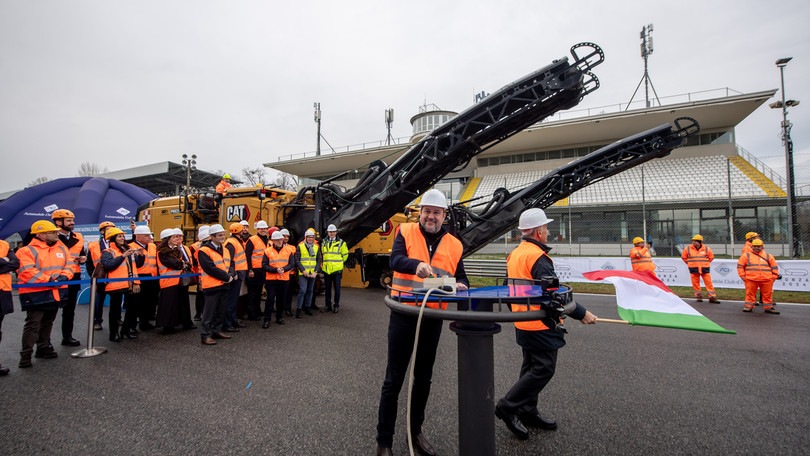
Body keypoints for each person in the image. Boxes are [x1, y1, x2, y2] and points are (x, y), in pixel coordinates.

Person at [375, 189, 470, 456]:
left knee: (424, 378)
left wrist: (461, 286)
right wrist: (414, 264)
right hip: (404, 314)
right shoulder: (405, 232)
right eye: (426, 211)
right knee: (393, 380)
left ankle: (415, 432)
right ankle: (384, 442)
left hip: (432, 318)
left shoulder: (455, 244)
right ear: (421, 213)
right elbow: (395, 260)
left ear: (444, 216)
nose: (430, 216)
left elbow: (462, 279)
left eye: (436, 212)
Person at [495, 208, 597, 440]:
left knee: (530, 368)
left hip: (523, 321)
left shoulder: (516, 254)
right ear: (539, 231)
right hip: (540, 323)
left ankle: (527, 410)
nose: (548, 232)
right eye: (546, 228)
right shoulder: (539, 258)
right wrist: (581, 313)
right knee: (543, 369)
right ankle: (508, 406)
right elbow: (554, 295)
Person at [16, 220, 73, 368]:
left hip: (56, 291)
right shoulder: (26, 251)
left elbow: (70, 264)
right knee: (33, 324)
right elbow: (26, 271)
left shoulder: (61, 248)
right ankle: (26, 354)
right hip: (35, 293)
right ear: (40, 234)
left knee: (48, 321)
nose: (56, 234)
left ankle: (43, 347)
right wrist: (49, 280)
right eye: (52, 232)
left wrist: (64, 276)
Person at [100, 227, 143, 342]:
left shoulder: (128, 249)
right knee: (115, 311)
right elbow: (109, 265)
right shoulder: (108, 252)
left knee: (132, 308)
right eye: (119, 236)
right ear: (113, 238)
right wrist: (123, 256)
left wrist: (140, 256)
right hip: (117, 285)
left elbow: (136, 266)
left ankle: (126, 330)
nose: (122, 238)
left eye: (123, 236)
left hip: (131, 283)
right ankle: (113, 334)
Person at [51, 209, 86, 346]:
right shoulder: (51, 237)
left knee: (69, 310)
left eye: (72, 220)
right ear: (58, 222)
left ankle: (67, 336)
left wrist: (83, 258)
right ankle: (44, 342)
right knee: (50, 311)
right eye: (69, 220)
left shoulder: (78, 237)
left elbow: (81, 252)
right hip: (55, 277)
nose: (72, 223)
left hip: (74, 275)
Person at [197, 224, 235, 345]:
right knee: (209, 312)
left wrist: (231, 274)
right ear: (211, 237)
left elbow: (231, 264)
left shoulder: (225, 249)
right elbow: (210, 268)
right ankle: (205, 335)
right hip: (212, 285)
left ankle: (216, 331)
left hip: (224, 284)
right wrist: (227, 277)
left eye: (223, 235)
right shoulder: (204, 251)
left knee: (221, 310)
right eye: (219, 235)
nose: (222, 237)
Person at [156, 228, 196, 333]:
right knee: (169, 305)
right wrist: (182, 263)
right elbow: (175, 264)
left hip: (178, 281)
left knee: (180, 303)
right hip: (168, 282)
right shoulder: (162, 252)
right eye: (173, 237)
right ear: (167, 239)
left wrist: (182, 263)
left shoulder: (175, 250)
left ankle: (179, 323)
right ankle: (167, 326)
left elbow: (182, 263)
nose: (176, 238)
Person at [261, 230, 295, 328]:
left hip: (284, 279)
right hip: (271, 279)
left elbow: (292, 264)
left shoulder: (288, 251)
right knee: (270, 299)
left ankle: (279, 317)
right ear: (273, 241)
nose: (280, 241)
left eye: (281, 239)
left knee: (281, 300)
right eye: (277, 240)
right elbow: (264, 265)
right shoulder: (267, 251)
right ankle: (267, 319)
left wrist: (283, 269)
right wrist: (276, 270)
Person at [737, 239, 780, 314]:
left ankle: (768, 307)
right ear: (752, 247)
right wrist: (743, 276)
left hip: (766, 279)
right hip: (751, 279)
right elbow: (740, 266)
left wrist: (773, 277)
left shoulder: (768, 256)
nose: (756, 248)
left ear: (762, 247)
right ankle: (748, 306)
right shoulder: (746, 255)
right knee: (750, 293)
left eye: (758, 246)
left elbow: (774, 267)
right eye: (755, 246)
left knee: (767, 294)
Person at [87, 221, 116, 331]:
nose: (111, 231)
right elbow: (89, 262)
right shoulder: (93, 245)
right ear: (102, 231)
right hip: (99, 277)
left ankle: (116, 319)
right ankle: (97, 321)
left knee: (115, 300)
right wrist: (93, 275)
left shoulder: (118, 243)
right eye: (108, 229)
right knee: (98, 300)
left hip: (115, 277)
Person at [129, 225, 159, 330]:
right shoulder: (131, 247)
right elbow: (132, 267)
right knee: (139, 302)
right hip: (141, 277)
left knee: (150, 300)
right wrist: (135, 282)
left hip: (153, 277)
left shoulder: (152, 246)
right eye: (146, 235)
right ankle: (142, 322)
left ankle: (146, 320)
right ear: (138, 237)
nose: (149, 237)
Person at [222, 223, 248, 332]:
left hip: (238, 274)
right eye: (242, 230)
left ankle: (233, 320)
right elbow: (229, 261)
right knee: (231, 300)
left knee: (234, 299)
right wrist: (233, 273)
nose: (244, 231)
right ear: (238, 231)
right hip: (235, 274)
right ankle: (228, 324)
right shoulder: (231, 243)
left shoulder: (236, 241)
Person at [0, 238, 20, 375]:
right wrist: (3, 260)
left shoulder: (4, 244)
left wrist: (5, 261)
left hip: (2, 292)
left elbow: (15, 263)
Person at [682, 234, 720, 303]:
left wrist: (706, 264)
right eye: (693, 241)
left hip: (704, 268)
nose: (693, 242)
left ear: (700, 241)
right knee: (695, 283)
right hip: (694, 268)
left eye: (695, 241)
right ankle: (698, 296)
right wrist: (690, 264)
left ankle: (712, 297)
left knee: (708, 283)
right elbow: (684, 257)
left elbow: (711, 257)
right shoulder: (687, 249)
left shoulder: (706, 249)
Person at [244, 220, 270, 321]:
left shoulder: (266, 240)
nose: (263, 230)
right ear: (257, 229)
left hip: (262, 269)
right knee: (252, 293)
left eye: (264, 228)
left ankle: (258, 310)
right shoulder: (252, 239)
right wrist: (250, 270)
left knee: (258, 291)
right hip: (254, 270)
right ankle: (252, 313)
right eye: (261, 228)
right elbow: (248, 255)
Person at [321, 224, 348, 313]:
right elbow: (323, 254)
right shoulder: (324, 242)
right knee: (327, 289)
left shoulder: (341, 243)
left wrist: (338, 264)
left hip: (337, 270)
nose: (332, 233)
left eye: (333, 232)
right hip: (327, 269)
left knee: (337, 289)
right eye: (330, 232)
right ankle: (327, 305)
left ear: (336, 232)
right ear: (328, 233)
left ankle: (336, 305)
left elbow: (345, 255)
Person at [295, 228, 320, 318]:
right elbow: (297, 260)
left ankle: (307, 307)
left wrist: (316, 271)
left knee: (310, 291)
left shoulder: (316, 247)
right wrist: (303, 270)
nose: (310, 239)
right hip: (303, 273)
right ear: (305, 237)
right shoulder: (300, 246)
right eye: (309, 237)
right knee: (302, 290)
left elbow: (318, 261)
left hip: (312, 273)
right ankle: (299, 309)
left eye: (312, 237)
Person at [190, 225, 210, 321]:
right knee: (201, 294)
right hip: (199, 272)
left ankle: (201, 313)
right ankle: (198, 313)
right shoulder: (195, 246)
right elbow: (193, 261)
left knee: (203, 294)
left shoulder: (196, 246)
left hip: (203, 272)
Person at [280, 228, 296, 317]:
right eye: (283, 236)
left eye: (287, 236)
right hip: (280, 274)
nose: (285, 238)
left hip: (290, 273)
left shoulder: (292, 247)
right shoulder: (275, 247)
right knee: (281, 292)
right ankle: (280, 308)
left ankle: (288, 308)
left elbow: (294, 260)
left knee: (289, 292)